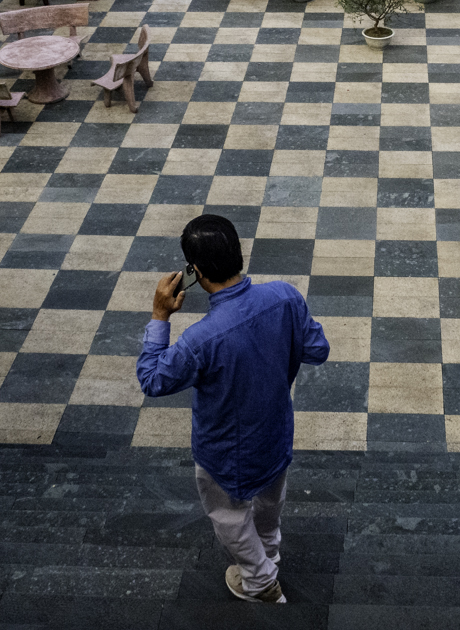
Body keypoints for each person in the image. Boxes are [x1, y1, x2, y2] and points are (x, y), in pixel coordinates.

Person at [136, 214, 329, 604]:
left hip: (223, 449)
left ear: (196, 271)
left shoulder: (200, 339)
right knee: (270, 502)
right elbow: (317, 349)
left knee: (230, 516)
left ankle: (260, 582)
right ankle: (269, 556)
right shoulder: (286, 296)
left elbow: (153, 380)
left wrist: (159, 315)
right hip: (275, 433)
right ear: (238, 253)